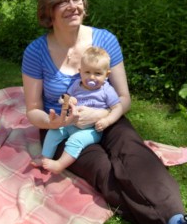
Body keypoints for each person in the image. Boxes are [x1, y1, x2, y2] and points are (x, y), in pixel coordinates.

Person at [22, 0, 187, 224]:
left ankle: (178, 220)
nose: (72, 5)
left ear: (84, 5)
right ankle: (167, 222)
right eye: (63, 1)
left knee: (134, 154)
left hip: (107, 118)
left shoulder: (105, 40)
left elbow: (124, 98)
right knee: (102, 169)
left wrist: (103, 116)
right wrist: (55, 122)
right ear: (48, 9)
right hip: (62, 130)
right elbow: (32, 110)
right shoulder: (35, 52)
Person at [32, 46, 123, 174]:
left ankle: (60, 164)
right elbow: (65, 97)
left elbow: (118, 107)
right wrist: (68, 100)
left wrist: (107, 120)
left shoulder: (106, 90)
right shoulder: (76, 85)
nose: (91, 77)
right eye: (87, 72)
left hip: (91, 130)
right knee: (54, 132)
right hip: (72, 122)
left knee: (75, 140)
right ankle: (45, 157)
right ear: (80, 71)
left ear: (106, 74)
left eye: (97, 73)